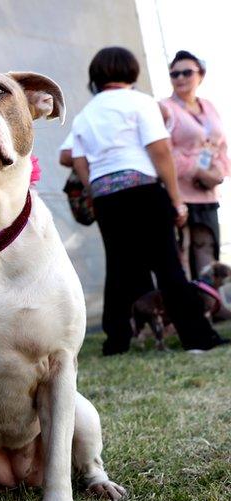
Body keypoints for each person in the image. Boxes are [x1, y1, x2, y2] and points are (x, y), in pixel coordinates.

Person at [70, 46, 227, 355]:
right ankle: (197, 338)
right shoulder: (140, 102)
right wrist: (176, 199)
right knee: (168, 266)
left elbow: (77, 160)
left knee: (118, 270)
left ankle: (115, 341)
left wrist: (96, 189)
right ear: (130, 71)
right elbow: (160, 151)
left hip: (105, 196)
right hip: (143, 190)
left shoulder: (86, 113)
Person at [159, 50, 230, 279]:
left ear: (201, 75)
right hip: (180, 193)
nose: (180, 78)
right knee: (186, 252)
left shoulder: (208, 106)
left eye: (187, 72)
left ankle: (213, 301)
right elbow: (162, 151)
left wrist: (217, 171)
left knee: (210, 247)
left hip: (208, 191)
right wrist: (196, 169)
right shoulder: (165, 107)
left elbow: (220, 145)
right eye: (174, 74)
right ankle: (195, 307)